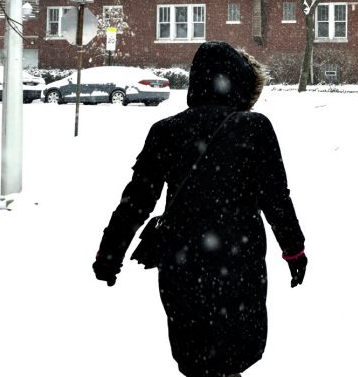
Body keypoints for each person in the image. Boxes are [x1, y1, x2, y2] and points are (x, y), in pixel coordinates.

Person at [92, 41, 307, 377]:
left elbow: (136, 201)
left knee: (195, 359)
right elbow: (276, 199)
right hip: (239, 264)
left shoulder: (165, 131)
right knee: (233, 355)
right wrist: (294, 251)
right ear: (239, 82)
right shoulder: (254, 128)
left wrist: (110, 253)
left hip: (183, 266)